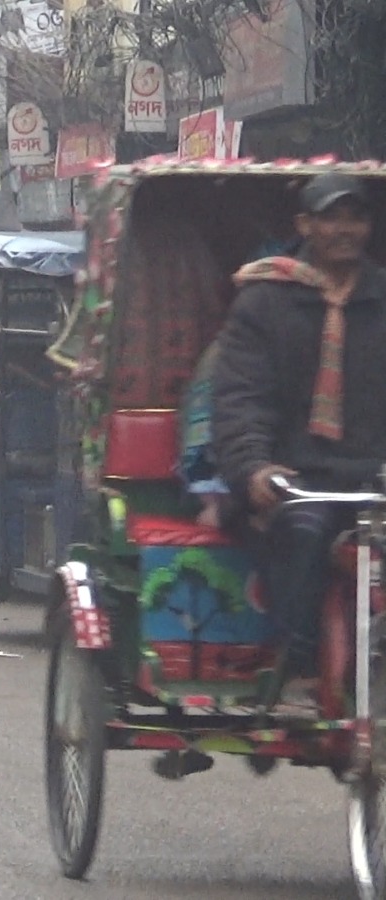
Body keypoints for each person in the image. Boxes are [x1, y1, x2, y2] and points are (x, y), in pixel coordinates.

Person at [213, 172, 386, 716]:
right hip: (294, 482)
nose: (344, 229)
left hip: (371, 481)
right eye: (330, 217)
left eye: (355, 216)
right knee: (303, 534)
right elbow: (241, 397)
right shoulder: (265, 302)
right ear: (305, 226)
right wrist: (254, 468)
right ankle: (301, 664)